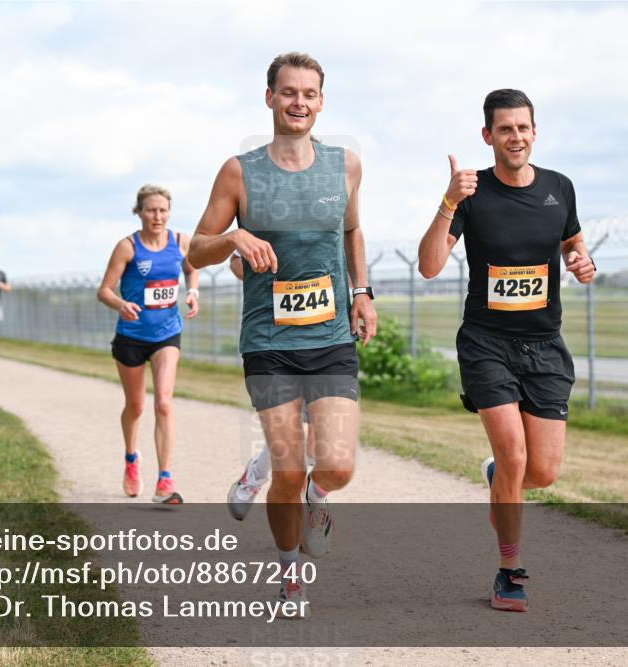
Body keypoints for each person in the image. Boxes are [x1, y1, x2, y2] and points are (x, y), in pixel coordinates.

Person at [188, 52, 378, 617]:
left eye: (309, 94)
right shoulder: (239, 171)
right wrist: (234, 241)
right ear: (268, 97)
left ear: (321, 101)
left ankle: (317, 500)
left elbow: (353, 230)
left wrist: (362, 292)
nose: (299, 103)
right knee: (290, 469)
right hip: (269, 340)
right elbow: (196, 247)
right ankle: (290, 572)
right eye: (288, 92)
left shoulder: (345, 165)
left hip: (330, 334)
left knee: (336, 467)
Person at [417, 89, 596, 612]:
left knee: (541, 472)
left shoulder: (559, 188)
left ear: (534, 131)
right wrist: (448, 200)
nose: (514, 137)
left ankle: (500, 480)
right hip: (486, 344)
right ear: (487, 135)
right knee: (514, 453)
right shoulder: (472, 193)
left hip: (544, 345)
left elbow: (572, 243)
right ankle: (509, 572)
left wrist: (581, 261)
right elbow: (429, 265)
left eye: (523, 127)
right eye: (504, 129)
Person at [97, 185, 199, 505]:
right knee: (136, 406)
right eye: (151, 210)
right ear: (139, 212)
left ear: (170, 212)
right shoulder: (127, 247)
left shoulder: (181, 242)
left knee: (164, 404)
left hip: (167, 333)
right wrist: (120, 304)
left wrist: (193, 291)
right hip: (131, 336)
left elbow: (192, 267)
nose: (158, 216)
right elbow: (104, 290)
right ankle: (131, 459)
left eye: (163, 210)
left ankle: (165, 480)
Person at [226, 250, 317, 521]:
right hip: (275, 338)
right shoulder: (268, 213)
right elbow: (235, 264)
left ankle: (308, 506)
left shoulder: (331, 211)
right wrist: (279, 270)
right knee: (289, 431)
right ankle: (256, 476)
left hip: (324, 336)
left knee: (317, 436)